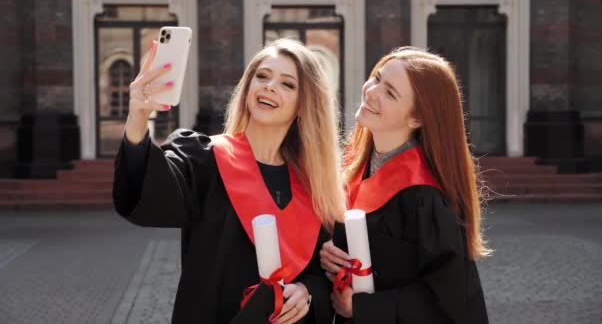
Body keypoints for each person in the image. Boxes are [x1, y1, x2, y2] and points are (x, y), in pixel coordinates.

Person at [113, 38, 345, 323]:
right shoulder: (204, 159)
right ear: (247, 87)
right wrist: (137, 119)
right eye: (261, 76)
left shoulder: (313, 186)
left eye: (288, 84)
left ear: (303, 106)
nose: (269, 86)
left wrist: (307, 291)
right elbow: (150, 195)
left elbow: (323, 274)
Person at [319, 47, 490, 323]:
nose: (371, 92)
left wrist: (364, 308)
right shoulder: (353, 170)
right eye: (376, 78)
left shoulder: (425, 197)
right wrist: (329, 252)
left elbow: (447, 303)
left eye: (390, 92)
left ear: (417, 118)